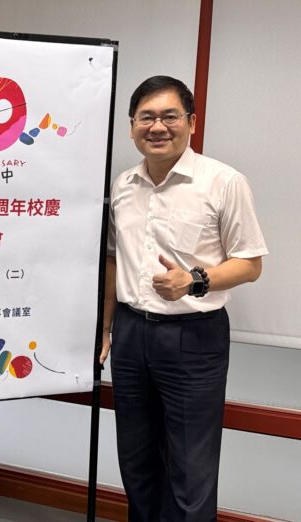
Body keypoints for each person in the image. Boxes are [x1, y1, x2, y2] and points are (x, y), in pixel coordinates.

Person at [101, 76, 267, 521]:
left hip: (194, 337)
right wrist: (106, 327)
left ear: (192, 122)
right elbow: (114, 259)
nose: (157, 127)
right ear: (131, 126)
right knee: (136, 458)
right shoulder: (123, 185)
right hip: (131, 334)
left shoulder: (223, 182)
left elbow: (250, 263)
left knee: (190, 468)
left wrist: (194, 280)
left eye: (169, 116)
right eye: (146, 117)